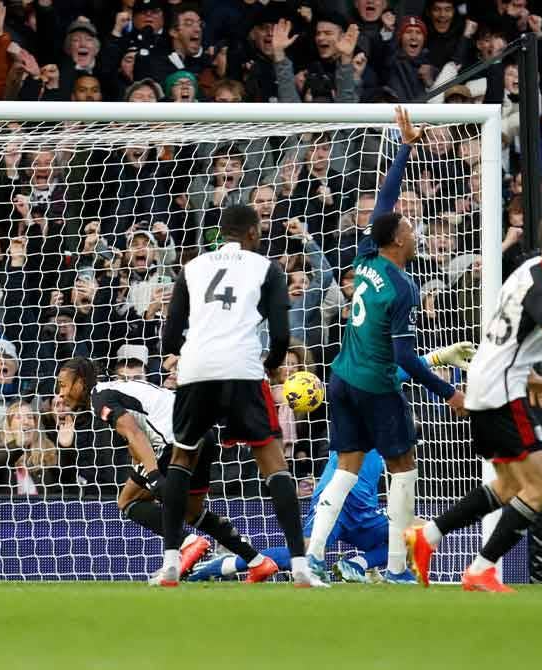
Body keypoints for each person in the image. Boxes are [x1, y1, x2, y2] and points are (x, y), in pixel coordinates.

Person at [408, 211, 542, 592]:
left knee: (510, 486)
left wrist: (532, 374)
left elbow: (505, 340)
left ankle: (428, 535)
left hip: (487, 386)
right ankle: (481, 568)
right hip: (502, 395)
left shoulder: (526, 273)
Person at [306, 107, 466, 586]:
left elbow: (385, 199)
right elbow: (403, 359)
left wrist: (406, 147)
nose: (414, 231)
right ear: (398, 239)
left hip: (341, 378)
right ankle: (397, 567)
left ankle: (312, 558)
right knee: (403, 467)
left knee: (348, 467)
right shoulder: (403, 287)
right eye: (410, 228)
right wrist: (448, 393)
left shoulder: (366, 256)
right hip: (376, 385)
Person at [187, 341, 475, 583]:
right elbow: (401, 370)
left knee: (417, 531)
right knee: (307, 551)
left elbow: (403, 370)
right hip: (337, 500)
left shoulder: (380, 389)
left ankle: (358, 565)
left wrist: (440, 355)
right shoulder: (358, 392)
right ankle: (228, 564)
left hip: (364, 508)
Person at [156, 203, 324, 589]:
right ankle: (300, 566)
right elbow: (281, 335)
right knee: (272, 461)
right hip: (243, 371)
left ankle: (169, 564)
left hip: (196, 370)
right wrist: (272, 365)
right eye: (260, 229)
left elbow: (169, 337)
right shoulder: (267, 268)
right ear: (251, 233)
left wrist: (196, 352)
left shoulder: (193, 268)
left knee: (182, 457)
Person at [56, 357, 278, 583]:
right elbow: (135, 436)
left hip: (176, 442)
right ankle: (258, 562)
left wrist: (153, 476)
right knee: (192, 512)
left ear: (80, 382)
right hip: (203, 435)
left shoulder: (100, 398)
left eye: (63, 385)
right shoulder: (118, 389)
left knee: (127, 501)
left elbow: (134, 433)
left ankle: (188, 543)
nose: (61, 394)